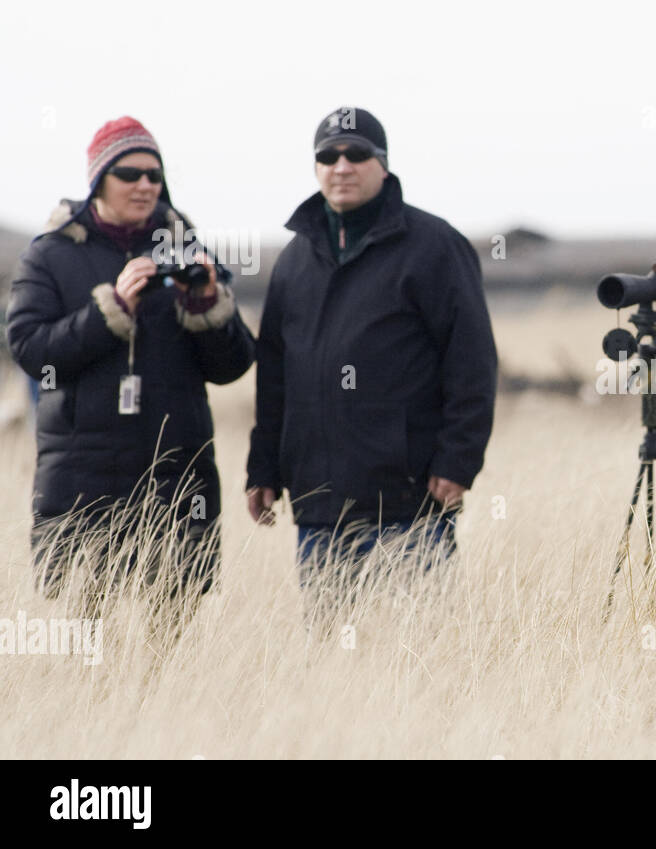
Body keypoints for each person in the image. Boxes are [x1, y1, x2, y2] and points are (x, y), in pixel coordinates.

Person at [245, 107, 497, 632]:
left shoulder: (434, 247)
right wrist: (263, 469)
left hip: (408, 501)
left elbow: (471, 361)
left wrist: (458, 460)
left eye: (357, 154)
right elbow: (274, 376)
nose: (342, 166)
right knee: (331, 662)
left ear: (382, 164)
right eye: (328, 156)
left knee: (420, 657)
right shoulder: (294, 260)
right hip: (318, 504)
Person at [6, 116, 255, 639]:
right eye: (130, 173)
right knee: (89, 651)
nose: (145, 185)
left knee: (167, 653)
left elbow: (232, 367)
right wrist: (112, 308)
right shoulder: (50, 255)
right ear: (99, 179)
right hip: (83, 482)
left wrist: (206, 304)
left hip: (175, 475)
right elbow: (32, 352)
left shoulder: (186, 251)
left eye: (154, 174)